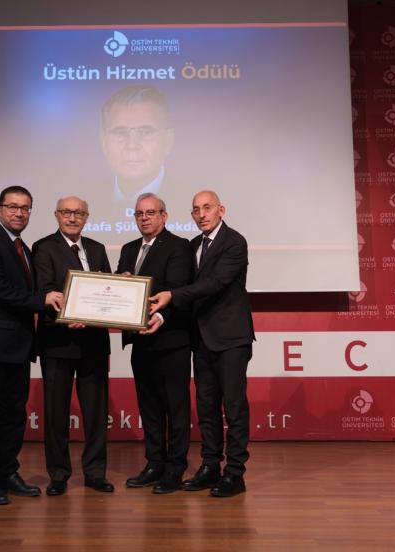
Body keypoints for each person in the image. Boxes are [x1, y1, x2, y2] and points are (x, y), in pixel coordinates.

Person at [148, 190, 255, 498]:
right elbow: (186, 288)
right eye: (196, 210)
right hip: (201, 338)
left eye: (207, 208)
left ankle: (235, 473)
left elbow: (215, 283)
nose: (201, 214)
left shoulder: (234, 242)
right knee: (207, 407)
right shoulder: (193, 245)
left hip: (231, 338)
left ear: (221, 210)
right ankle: (210, 466)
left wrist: (171, 295)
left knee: (233, 407)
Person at [0, 185, 64, 506]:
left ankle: (7, 474)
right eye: (12, 207)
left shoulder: (25, 250)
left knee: (13, 417)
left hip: (18, 347)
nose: (19, 213)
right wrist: (42, 299)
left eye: (25, 208)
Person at [32, 196, 114, 496]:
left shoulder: (97, 248)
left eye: (79, 213)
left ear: (87, 217)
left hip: (94, 341)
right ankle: (58, 475)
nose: (72, 217)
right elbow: (44, 290)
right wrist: (69, 315)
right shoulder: (43, 247)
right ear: (56, 215)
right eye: (66, 212)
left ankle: (95, 473)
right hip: (58, 340)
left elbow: (106, 290)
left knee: (96, 412)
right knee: (56, 413)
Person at [116, 193, 193, 494]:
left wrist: (160, 317)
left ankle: (175, 469)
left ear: (164, 215)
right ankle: (154, 463)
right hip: (140, 341)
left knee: (176, 408)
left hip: (171, 340)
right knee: (148, 407)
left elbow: (179, 290)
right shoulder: (128, 249)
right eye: (139, 213)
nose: (145, 218)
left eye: (151, 212)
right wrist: (121, 283)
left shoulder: (179, 246)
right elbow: (120, 291)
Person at [92, 85, 194, 228]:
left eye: (146, 132)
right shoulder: (88, 198)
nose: (132, 145)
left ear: (168, 141)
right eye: (120, 133)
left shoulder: (191, 200)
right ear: (103, 142)